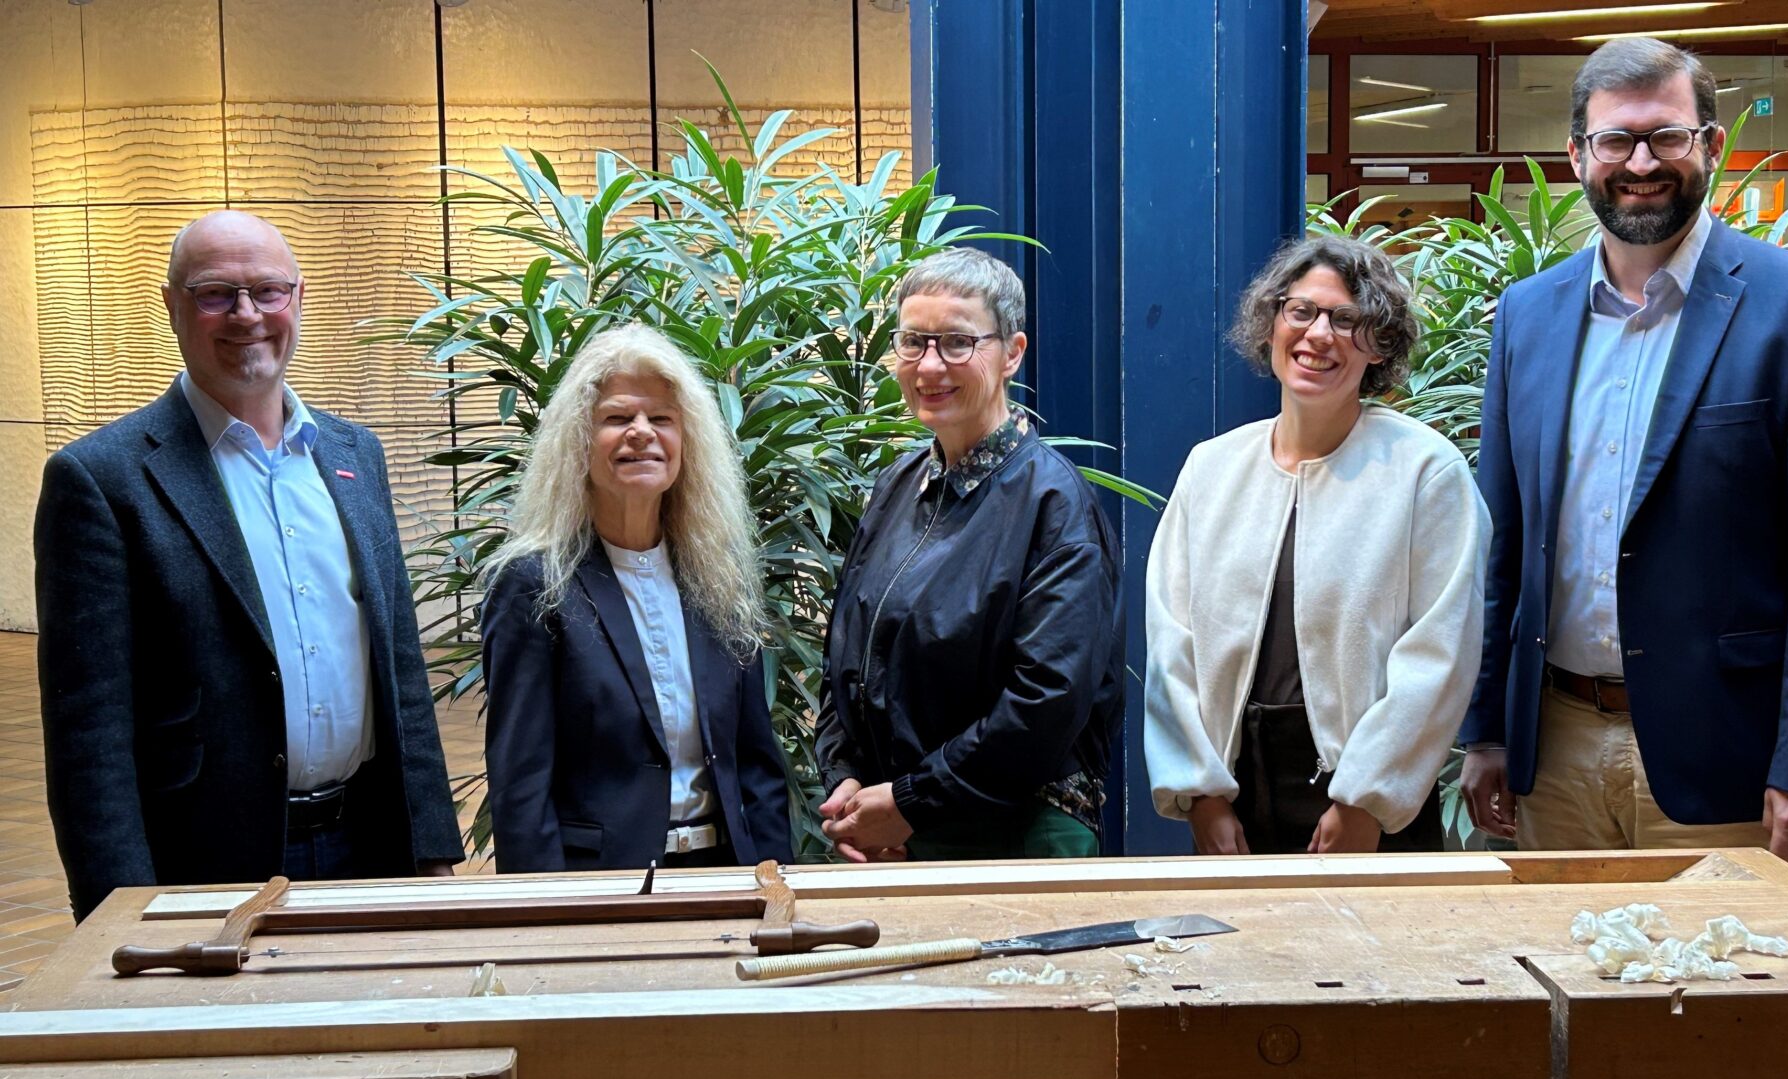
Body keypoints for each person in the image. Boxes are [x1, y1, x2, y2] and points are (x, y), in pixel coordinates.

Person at [1460, 37, 1788, 1079]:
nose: (1640, 161)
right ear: (1576, 155)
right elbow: (1506, 543)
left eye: (1666, 135)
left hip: (1720, 759)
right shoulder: (1530, 315)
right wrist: (1489, 730)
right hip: (1561, 747)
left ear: (1710, 145)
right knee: (1599, 1072)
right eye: (1615, 139)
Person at [35, 211, 464, 921]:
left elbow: (400, 670)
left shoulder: (356, 455)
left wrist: (432, 848)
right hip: (206, 865)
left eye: (268, 291)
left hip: (371, 847)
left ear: (299, 300)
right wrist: (117, 913)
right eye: (215, 294)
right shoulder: (102, 481)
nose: (246, 315)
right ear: (173, 308)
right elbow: (90, 740)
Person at [1146, 234, 1489, 857]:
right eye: (1300, 310)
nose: (1319, 334)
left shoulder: (1424, 471)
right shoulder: (1212, 468)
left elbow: (1442, 650)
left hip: (1365, 801)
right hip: (1234, 788)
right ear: (1271, 321)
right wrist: (1202, 793)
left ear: (1380, 343)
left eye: (1348, 320)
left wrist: (1364, 801)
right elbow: (1172, 641)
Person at [815, 247, 1123, 862]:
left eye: (957, 343)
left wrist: (908, 804)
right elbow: (844, 656)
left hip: (1013, 834)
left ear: (1012, 353)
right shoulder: (898, 485)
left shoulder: (1054, 503)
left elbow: (1046, 703)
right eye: (913, 342)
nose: (930, 365)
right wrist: (845, 783)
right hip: (888, 825)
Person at [481, 324, 791, 873]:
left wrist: (775, 883)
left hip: (725, 872)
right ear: (578, 441)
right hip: (600, 884)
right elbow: (521, 786)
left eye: (662, 419)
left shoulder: (716, 575)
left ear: (686, 442)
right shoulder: (534, 583)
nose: (642, 433)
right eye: (618, 418)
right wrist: (544, 918)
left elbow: (756, 766)